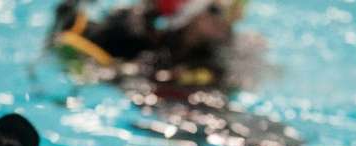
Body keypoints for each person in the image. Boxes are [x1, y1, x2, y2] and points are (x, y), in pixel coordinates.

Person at [50, 0, 240, 87]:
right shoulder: (127, 35)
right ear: (190, 18)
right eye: (216, 10)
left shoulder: (216, 44)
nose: (228, 20)